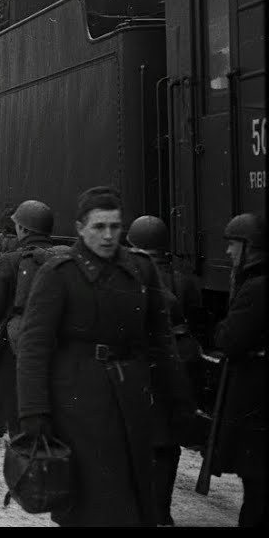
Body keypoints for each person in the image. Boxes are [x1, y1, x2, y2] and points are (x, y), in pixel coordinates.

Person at [15, 186, 190, 526]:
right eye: (98, 227)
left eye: (114, 226)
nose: (108, 236)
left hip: (133, 403)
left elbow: (161, 340)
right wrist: (33, 412)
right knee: (89, 506)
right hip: (78, 406)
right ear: (80, 228)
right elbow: (33, 348)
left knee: (133, 499)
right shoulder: (58, 274)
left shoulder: (141, 269)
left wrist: (179, 399)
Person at [127, 214, 202, 526]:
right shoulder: (185, 279)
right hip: (175, 368)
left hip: (141, 369)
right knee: (168, 443)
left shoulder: (128, 276)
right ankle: (162, 512)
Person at [0, 200, 66, 441]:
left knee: (17, 412)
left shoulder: (10, 260)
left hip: (15, 343)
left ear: (23, 229)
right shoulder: (65, 260)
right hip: (58, 345)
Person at [209, 212, 266, 528]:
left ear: (250, 247)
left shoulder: (255, 287)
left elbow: (229, 338)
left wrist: (221, 328)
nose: (229, 252)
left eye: (233, 245)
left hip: (256, 404)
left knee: (256, 493)